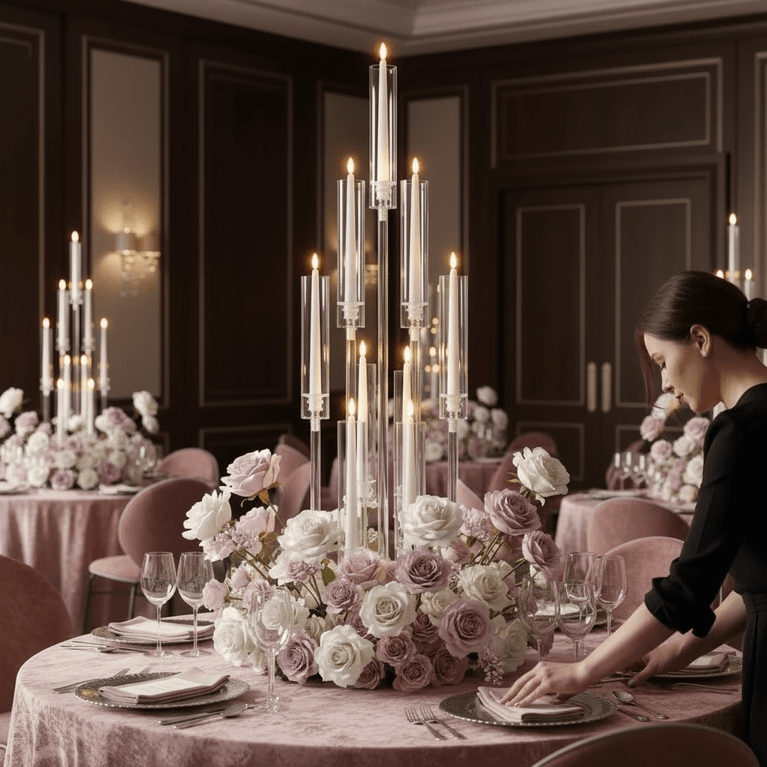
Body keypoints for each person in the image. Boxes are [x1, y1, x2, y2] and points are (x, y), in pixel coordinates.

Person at [501, 270, 767, 764]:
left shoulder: (741, 429)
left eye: (663, 361)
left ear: (701, 339)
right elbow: (763, 583)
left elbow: (690, 583)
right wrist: (674, 652)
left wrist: (583, 672)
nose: (665, 382)